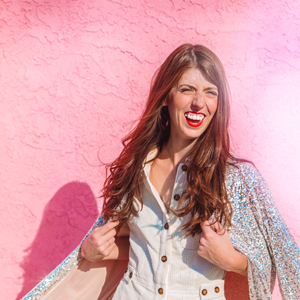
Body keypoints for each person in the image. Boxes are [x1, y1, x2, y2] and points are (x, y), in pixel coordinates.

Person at [22, 44, 300, 300]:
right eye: (187, 89)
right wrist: (90, 251)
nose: (198, 103)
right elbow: (138, 246)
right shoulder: (136, 167)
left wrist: (232, 261)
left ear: (219, 104)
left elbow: (279, 261)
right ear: (167, 96)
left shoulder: (236, 179)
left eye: (210, 92)